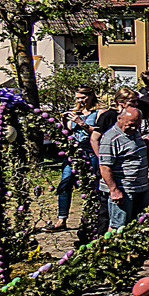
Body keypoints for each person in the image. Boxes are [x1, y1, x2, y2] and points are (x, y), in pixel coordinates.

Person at [50, 86, 101, 230]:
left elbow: (98, 131)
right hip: (73, 154)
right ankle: (62, 219)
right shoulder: (73, 112)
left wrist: (81, 122)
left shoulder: (98, 113)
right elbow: (67, 133)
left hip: (90, 153)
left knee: (91, 186)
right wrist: (62, 123)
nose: (80, 101)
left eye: (83, 97)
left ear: (91, 96)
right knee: (65, 184)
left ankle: (90, 217)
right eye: (78, 98)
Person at [97, 106, 149, 230]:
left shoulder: (135, 133)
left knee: (141, 224)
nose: (134, 128)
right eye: (130, 124)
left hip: (140, 187)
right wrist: (114, 190)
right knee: (118, 227)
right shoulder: (110, 138)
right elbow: (105, 167)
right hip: (124, 190)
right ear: (119, 119)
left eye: (137, 125)